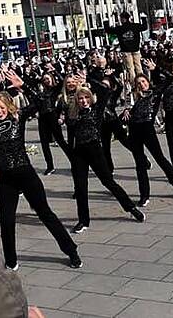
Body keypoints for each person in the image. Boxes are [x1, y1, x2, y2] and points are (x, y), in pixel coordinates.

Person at [0, 70, 82, 270]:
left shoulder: (18, 118)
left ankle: (71, 250)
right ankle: (11, 260)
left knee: (45, 213)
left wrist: (21, 85)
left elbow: (42, 103)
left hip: (26, 174)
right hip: (7, 180)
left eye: (2, 108)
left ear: (8, 107)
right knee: (6, 221)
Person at [64, 74, 145, 234]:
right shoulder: (73, 114)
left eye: (86, 97)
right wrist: (71, 155)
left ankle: (131, 208)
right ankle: (83, 220)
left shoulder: (97, 109)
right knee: (80, 188)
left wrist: (88, 76)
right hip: (79, 153)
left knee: (108, 182)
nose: (83, 101)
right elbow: (70, 137)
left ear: (90, 98)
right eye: (80, 99)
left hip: (95, 150)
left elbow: (105, 90)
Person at [122, 62, 173, 206]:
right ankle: (144, 195)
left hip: (148, 130)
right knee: (140, 165)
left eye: (143, 81)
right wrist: (126, 112)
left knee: (160, 159)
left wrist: (157, 68)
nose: (142, 85)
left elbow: (171, 78)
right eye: (139, 83)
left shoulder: (155, 93)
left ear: (148, 81)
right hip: (134, 131)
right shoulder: (134, 97)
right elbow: (127, 114)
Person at [34, 73, 71, 175]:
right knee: (44, 144)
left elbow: (63, 81)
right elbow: (34, 103)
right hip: (42, 118)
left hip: (52, 116)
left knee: (60, 140)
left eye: (48, 78)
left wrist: (54, 70)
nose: (46, 80)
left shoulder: (54, 90)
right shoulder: (39, 93)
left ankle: (74, 161)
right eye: (44, 79)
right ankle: (50, 166)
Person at [105, 12, 146, 85]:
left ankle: (134, 84)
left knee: (130, 68)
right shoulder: (135, 26)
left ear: (123, 19)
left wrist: (106, 22)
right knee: (138, 66)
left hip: (126, 51)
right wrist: (143, 18)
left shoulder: (120, 28)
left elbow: (109, 30)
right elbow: (144, 27)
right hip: (136, 49)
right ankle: (142, 81)